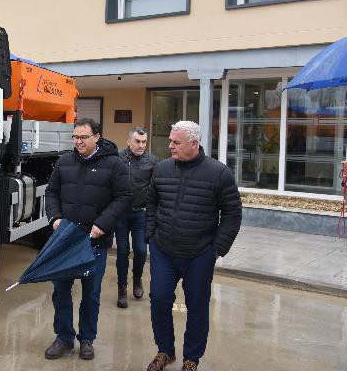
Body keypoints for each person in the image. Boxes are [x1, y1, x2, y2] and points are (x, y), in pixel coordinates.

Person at [144, 121, 242, 371]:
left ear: (193, 144)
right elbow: (151, 202)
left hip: (200, 253)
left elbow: (232, 213)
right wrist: (150, 235)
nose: (170, 146)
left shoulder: (219, 173)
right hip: (163, 250)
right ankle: (165, 351)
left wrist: (216, 249)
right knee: (159, 299)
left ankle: (191, 358)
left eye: (176, 142)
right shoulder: (162, 169)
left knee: (197, 306)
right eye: (170, 141)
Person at [44, 117, 132, 361]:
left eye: (83, 137)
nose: (78, 141)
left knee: (91, 294)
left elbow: (124, 197)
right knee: (60, 291)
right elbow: (51, 193)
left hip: (95, 242)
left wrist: (102, 225)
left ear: (97, 137)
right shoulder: (64, 162)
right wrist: (55, 218)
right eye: (75, 137)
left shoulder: (114, 165)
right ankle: (63, 338)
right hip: (65, 240)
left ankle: (87, 340)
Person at [116, 127, 158, 309]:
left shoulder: (153, 161)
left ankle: (137, 278)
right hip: (121, 214)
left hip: (142, 213)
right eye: (137, 141)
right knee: (122, 251)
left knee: (141, 251)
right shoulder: (118, 159)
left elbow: (157, 188)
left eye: (144, 142)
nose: (141, 145)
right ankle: (122, 289)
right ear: (128, 142)